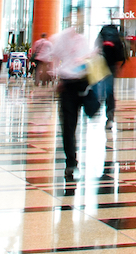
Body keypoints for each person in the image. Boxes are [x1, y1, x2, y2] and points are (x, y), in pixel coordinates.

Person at [46, 28, 96, 180]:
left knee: (69, 125)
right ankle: (71, 162)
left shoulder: (82, 39)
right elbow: (54, 58)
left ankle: (71, 162)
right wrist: (56, 75)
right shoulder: (62, 37)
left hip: (80, 83)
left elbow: (88, 59)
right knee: (68, 126)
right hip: (69, 84)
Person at [96, 24, 128, 129]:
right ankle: (110, 117)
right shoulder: (116, 36)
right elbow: (121, 53)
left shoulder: (102, 35)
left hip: (101, 65)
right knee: (110, 92)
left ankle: (94, 108)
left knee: (100, 89)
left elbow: (96, 49)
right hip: (112, 67)